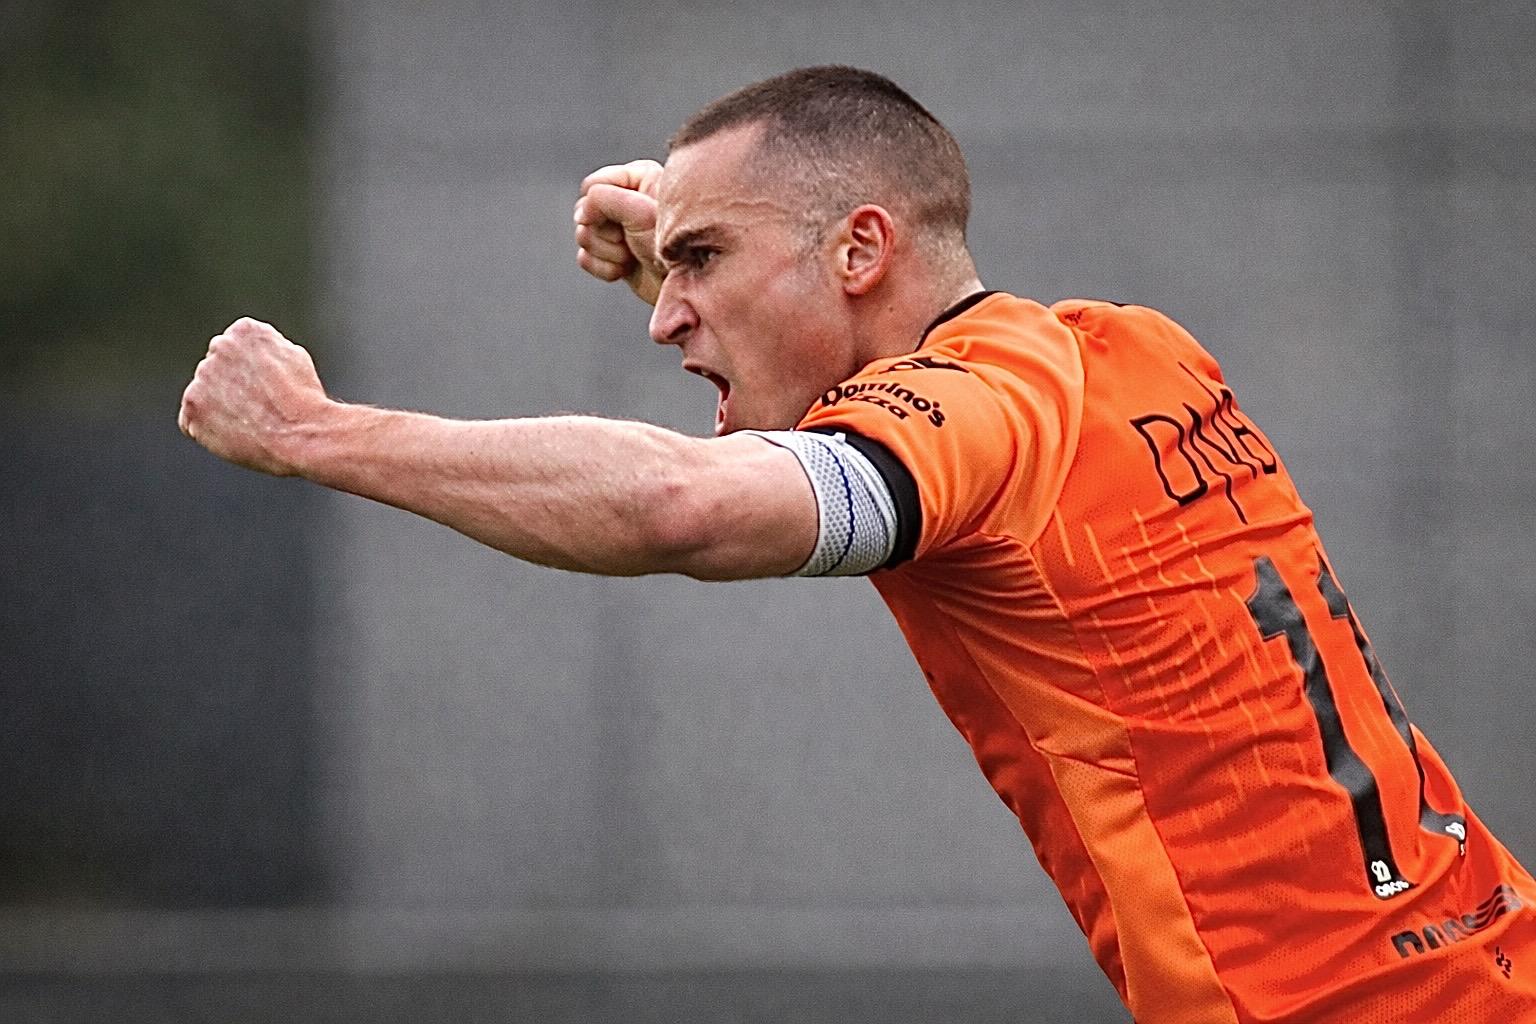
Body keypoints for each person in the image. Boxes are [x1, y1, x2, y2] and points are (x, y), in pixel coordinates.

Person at [179, 66, 1535, 1022]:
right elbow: (864, 363)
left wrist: (314, 431)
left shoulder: (973, 420)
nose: (663, 316)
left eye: (702, 263)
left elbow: (681, 507)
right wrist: (709, 241)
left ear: (859, 251)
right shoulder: (1136, 350)